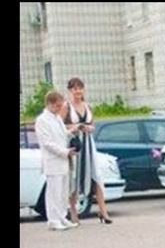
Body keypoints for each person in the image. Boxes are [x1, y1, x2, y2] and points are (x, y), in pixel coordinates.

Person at [64, 77, 113, 224]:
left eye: (80, 88)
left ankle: (103, 211)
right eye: (75, 88)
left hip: (88, 145)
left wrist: (88, 128)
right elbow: (60, 126)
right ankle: (74, 212)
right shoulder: (66, 107)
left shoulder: (87, 106)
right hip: (75, 144)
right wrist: (76, 127)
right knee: (74, 177)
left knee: (96, 176)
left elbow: (93, 125)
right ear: (70, 90)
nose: (78, 91)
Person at [34, 91, 79, 231]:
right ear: (50, 103)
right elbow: (47, 143)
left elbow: (61, 135)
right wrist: (65, 152)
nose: (60, 108)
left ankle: (62, 217)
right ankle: (53, 220)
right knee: (54, 192)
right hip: (53, 161)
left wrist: (72, 132)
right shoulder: (42, 120)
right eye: (58, 105)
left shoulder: (57, 118)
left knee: (63, 191)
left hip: (64, 160)